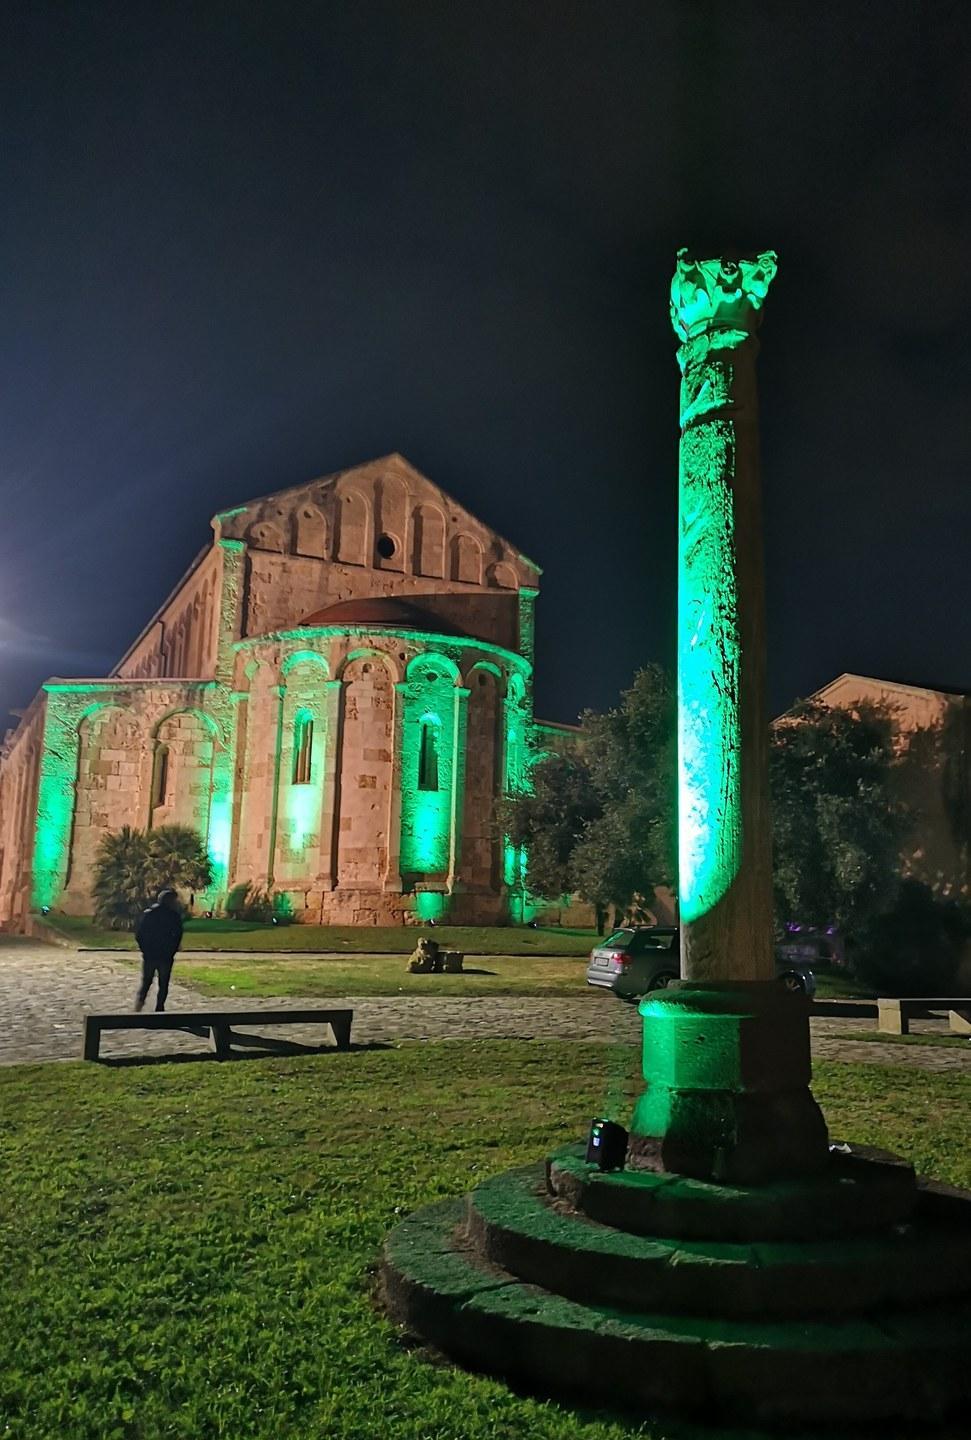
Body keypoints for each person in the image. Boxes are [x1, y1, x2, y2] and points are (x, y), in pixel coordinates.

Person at [134, 889, 183, 1013]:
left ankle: (139, 1005)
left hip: (151, 954)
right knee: (163, 983)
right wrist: (172, 949)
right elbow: (177, 935)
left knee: (147, 981)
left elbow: (140, 934)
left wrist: (145, 949)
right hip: (165, 955)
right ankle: (159, 1008)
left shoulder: (150, 913)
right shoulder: (173, 915)